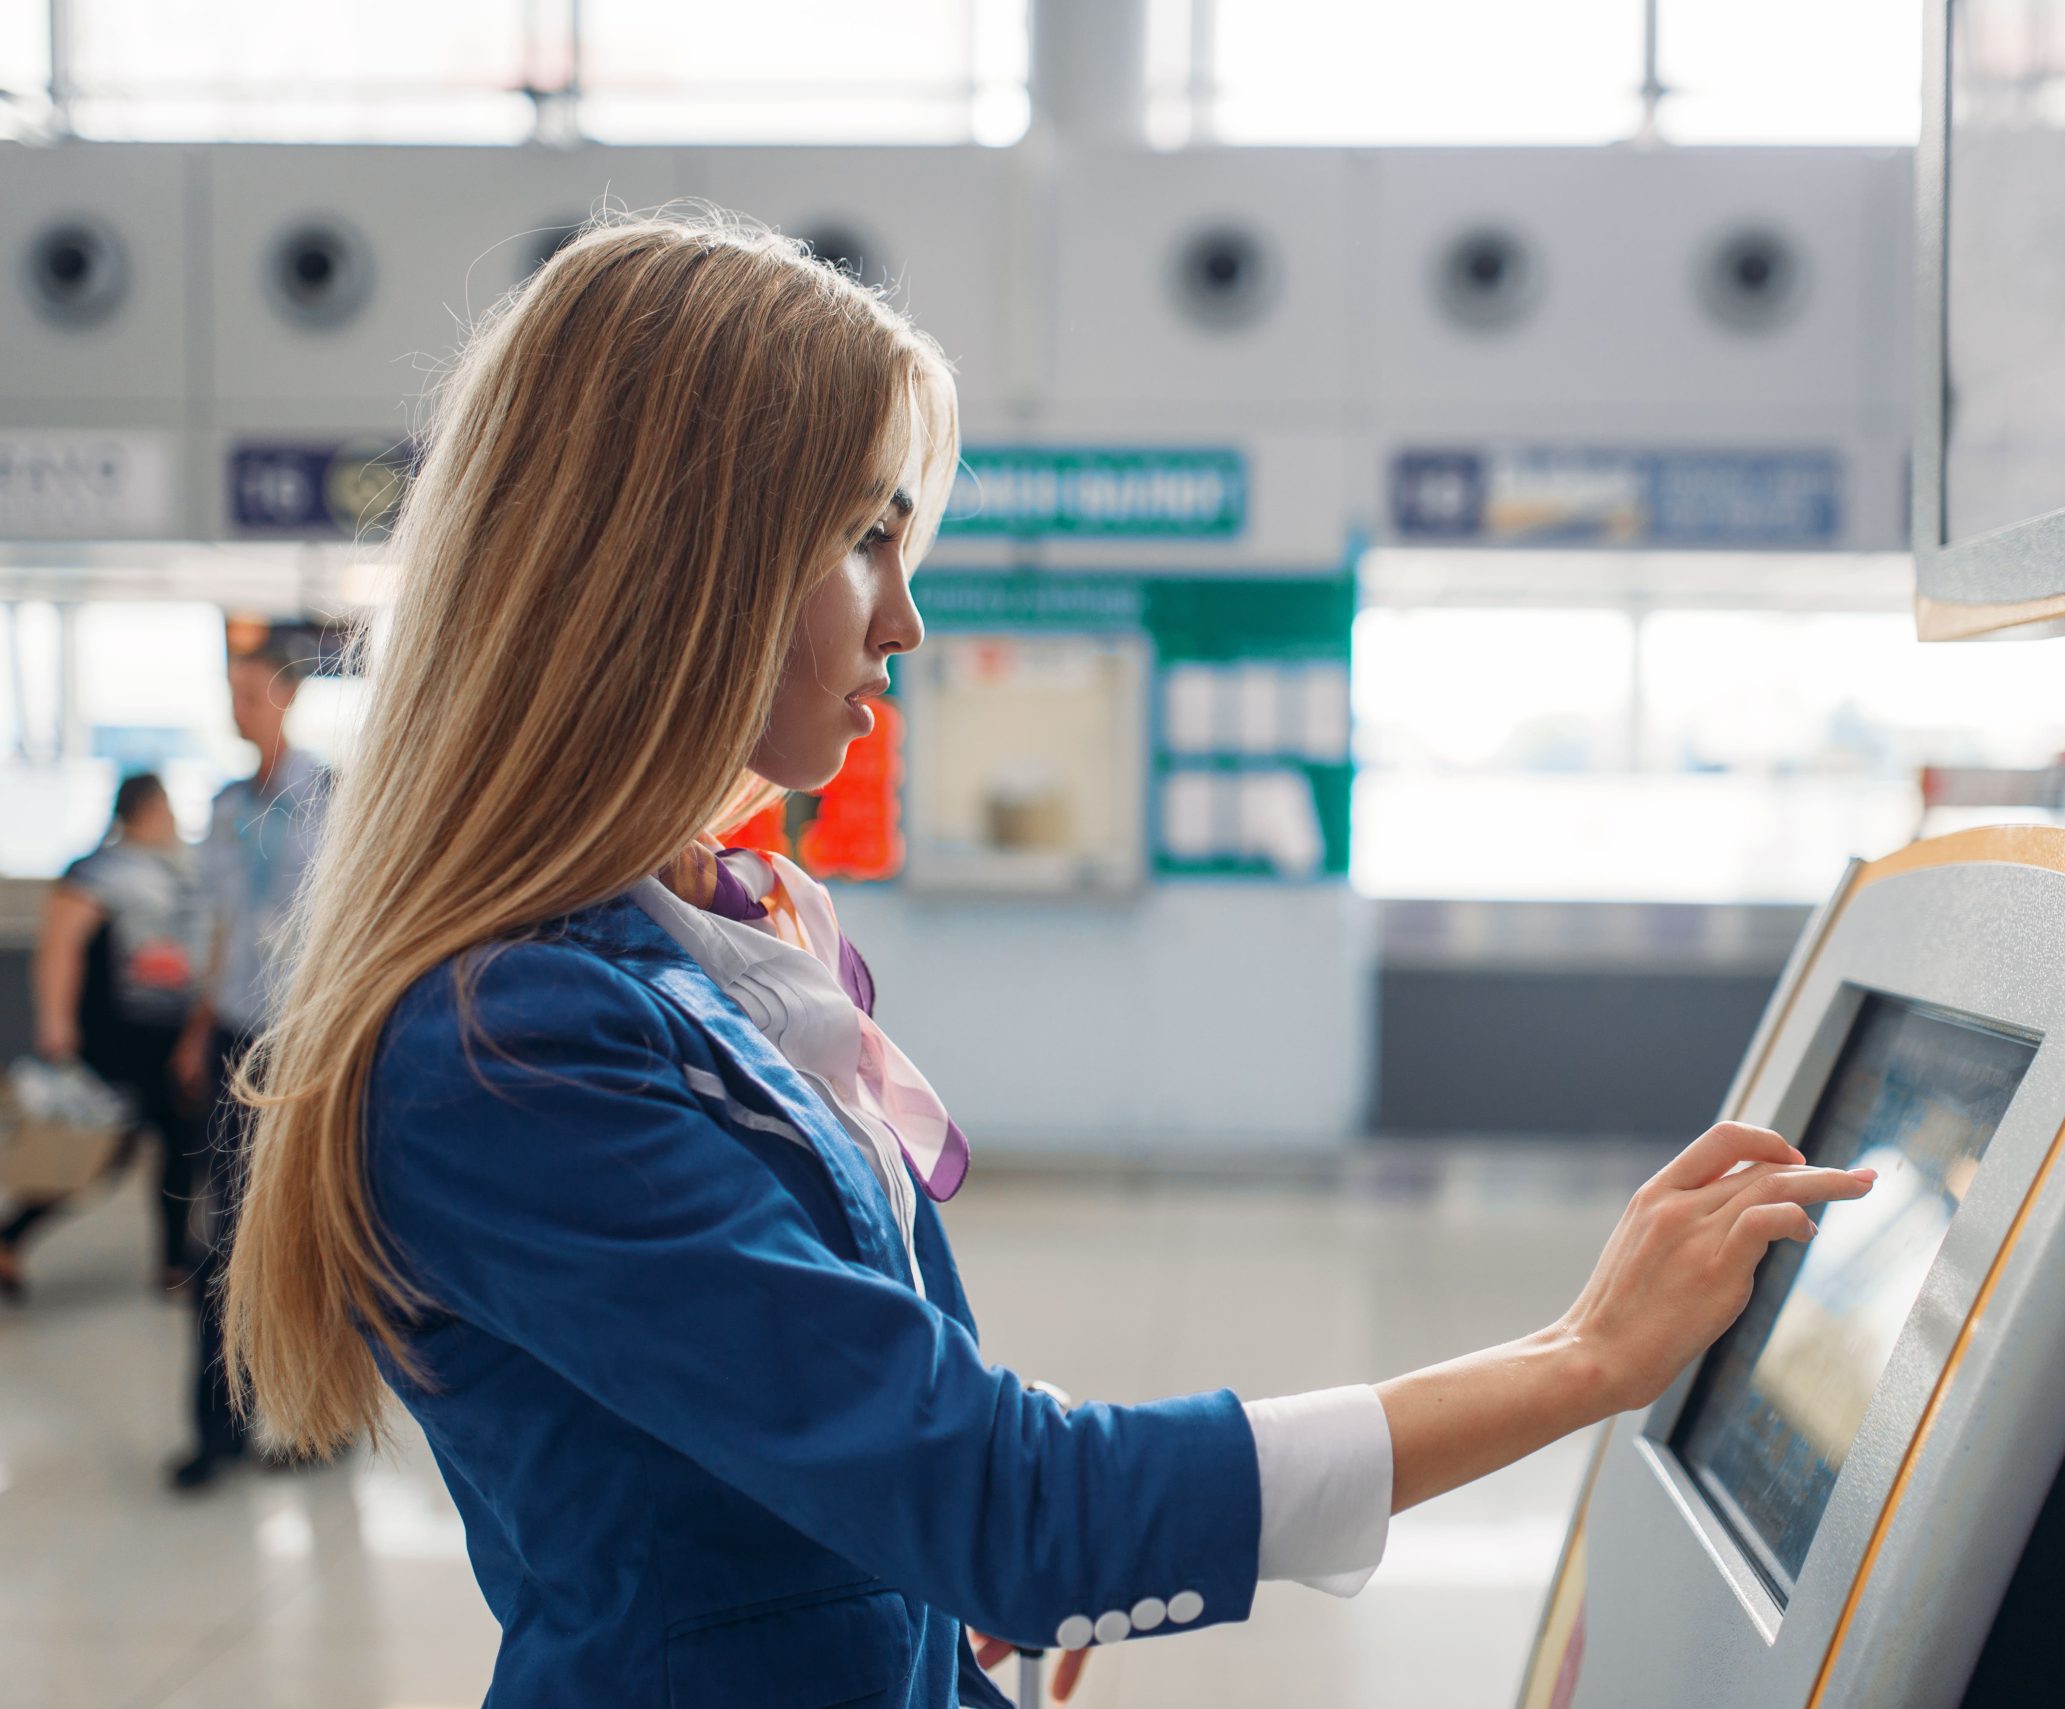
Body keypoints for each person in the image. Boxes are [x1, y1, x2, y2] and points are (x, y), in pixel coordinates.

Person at [221, 212, 1872, 1709]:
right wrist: (1579, 1360)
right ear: (678, 563)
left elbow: (864, 1449)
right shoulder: (508, 1043)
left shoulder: (699, 949)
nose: (905, 621)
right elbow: (1012, 1510)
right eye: (864, 539)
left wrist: (932, 1573)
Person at [166, 638, 330, 1489]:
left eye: (251, 693)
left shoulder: (330, 796)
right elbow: (218, 926)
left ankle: (315, 1419)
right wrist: (197, 1029)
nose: (240, 708)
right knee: (224, 1234)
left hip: (306, 1040)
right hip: (236, 1033)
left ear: (287, 696)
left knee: (309, 1231)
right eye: (231, 693)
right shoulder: (228, 804)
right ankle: (217, 1427)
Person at [0, 772, 208, 1300]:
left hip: (170, 1033)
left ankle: (172, 1263)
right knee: (102, 1149)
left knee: (178, 1142)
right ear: (148, 809)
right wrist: (55, 1024)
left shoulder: (180, 866)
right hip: (116, 1036)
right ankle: (10, 1238)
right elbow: (60, 948)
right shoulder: (99, 871)